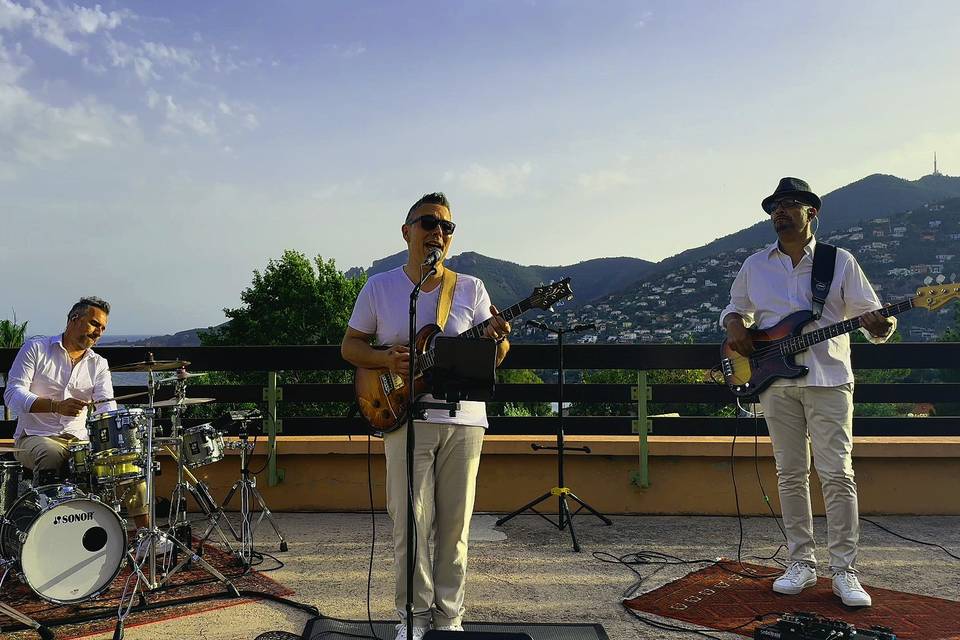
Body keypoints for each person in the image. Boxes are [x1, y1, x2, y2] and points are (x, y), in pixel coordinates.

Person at [342, 193, 511, 639]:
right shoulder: (380, 287)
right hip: (406, 419)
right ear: (407, 232)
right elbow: (350, 347)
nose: (439, 232)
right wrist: (384, 361)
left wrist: (500, 340)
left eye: (447, 227)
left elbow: (495, 356)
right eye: (429, 223)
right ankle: (412, 618)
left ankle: (449, 619)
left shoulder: (471, 288)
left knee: (455, 530)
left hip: (465, 421)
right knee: (410, 525)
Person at [720, 178, 894, 607]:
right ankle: (801, 562)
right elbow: (733, 308)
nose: (780, 211)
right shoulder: (755, 265)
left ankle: (845, 570)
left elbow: (874, 319)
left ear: (811, 212)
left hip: (829, 379)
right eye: (775, 206)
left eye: (790, 204)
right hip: (775, 382)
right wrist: (736, 326)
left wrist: (883, 326)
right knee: (790, 474)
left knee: (838, 475)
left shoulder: (840, 262)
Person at [4, 296, 149, 529]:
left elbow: (106, 407)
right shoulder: (36, 349)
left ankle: (144, 536)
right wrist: (54, 406)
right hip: (33, 437)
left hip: (80, 441)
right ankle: (48, 528)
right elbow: (12, 394)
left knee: (129, 462)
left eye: (102, 328)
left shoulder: (98, 364)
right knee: (50, 454)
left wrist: (117, 437)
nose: (98, 332)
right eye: (94, 324)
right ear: (74, 319)